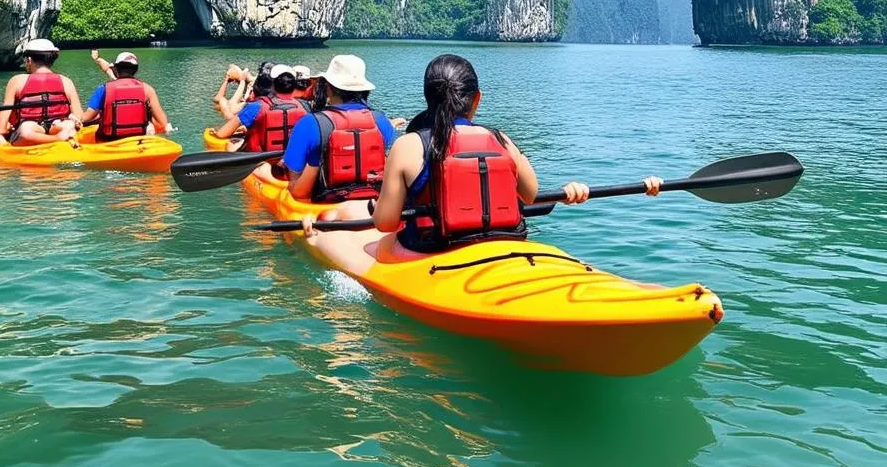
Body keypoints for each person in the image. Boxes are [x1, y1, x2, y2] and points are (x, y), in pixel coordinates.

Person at [299, 53, 661, 274]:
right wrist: (571, 191)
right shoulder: (501, 139)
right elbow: (532, 196)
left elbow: (386, 222)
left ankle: (315, 241)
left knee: (362, 242)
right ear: (476, 101)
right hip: (505, 244)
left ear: (427, 99)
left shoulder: (410, 145)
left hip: (431, 252)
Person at [282, 54, 398, 203]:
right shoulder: (381, 121)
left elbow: (294, 179)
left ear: (329, 88)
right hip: (373, 200)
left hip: (326, 203)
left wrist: (315, 160)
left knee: (295, 185)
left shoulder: (310, 123)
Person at [0, 39, 83, 146]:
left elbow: (2, 129)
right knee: (68, 125)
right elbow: (80, 118)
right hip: (57, 127)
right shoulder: (66, 81)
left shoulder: (16, 81)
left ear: (29, 60)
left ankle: (11, 150)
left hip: (31, 134)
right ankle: (61, 137)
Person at [214, 64, 309, 152]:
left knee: (231, 145)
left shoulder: (256, 106)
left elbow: (222, 134)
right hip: (289, 158)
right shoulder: (305, 107)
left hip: (261, 159)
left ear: (273, 86)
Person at [81, 51, 171, 141]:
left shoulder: (103, 89)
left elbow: (86, 117)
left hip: (109, 140)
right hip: (138, 140)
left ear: (116, 68)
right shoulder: (147, 89)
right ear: (135, 69)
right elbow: (163, 123)